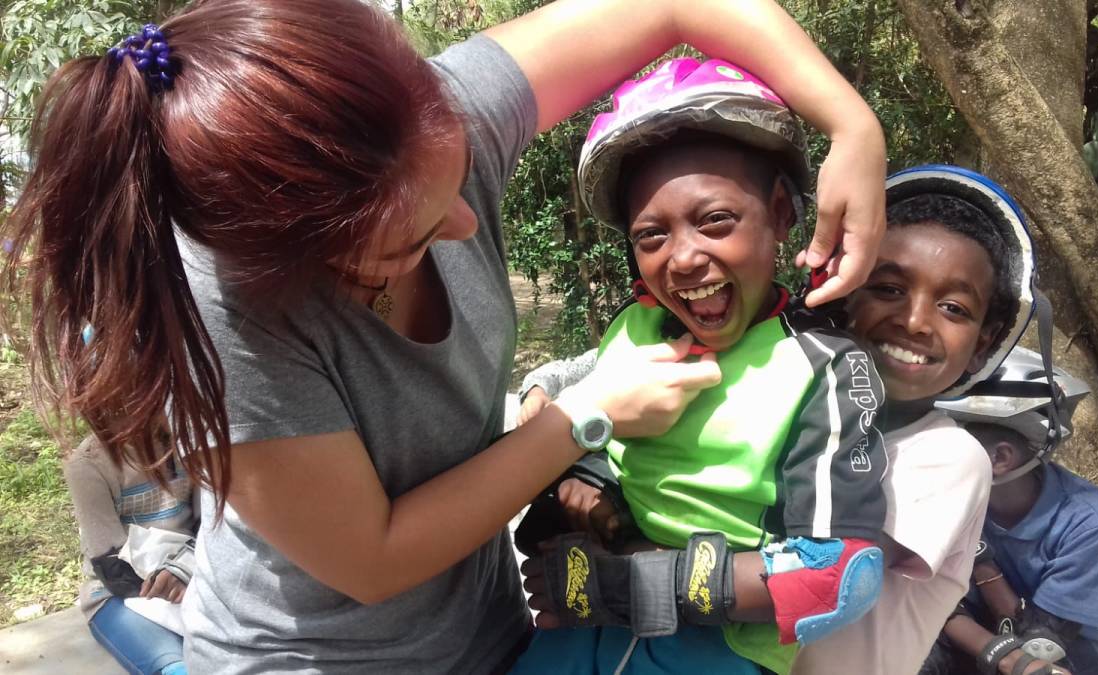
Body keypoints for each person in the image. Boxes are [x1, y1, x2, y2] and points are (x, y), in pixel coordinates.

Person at [1, 0, 889, 671]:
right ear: (304, 260)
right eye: (416, 236)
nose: (468, 227)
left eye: (460, 176)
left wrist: (852, 124)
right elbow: (373, 557)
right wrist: (583, 419)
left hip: (496, 633)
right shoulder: (230, 312)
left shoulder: (418, 119)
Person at [510, 57, 889, 675]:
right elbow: (613, 448)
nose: (683, 258)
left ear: (781, 214)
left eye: (715, 221)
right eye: (651, 236)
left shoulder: (825, 369)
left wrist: (628, 583)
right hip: (581, 635)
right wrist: (590, 482)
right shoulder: (634, 328)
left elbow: (839, 577)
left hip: (720, 650)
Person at [787, 165, 1044, 675]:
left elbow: (822, 576)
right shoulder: (800, 418)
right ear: (843, 297)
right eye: (888, 288)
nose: (914, 321)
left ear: (983, 342)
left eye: (953, 308)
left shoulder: (950, 457)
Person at [919, 347, 1098, 675]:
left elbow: (1041, 642)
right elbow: (929, 602)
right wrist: (997, 650)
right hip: (993, 623)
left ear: (1000, 459)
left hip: (1083, 638)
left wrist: (980, 562)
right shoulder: (947, 494)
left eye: (945, 442)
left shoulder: (1090, 522)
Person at [65, 433, 195, 675]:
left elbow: (214, 527)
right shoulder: (88, 465)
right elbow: (111, 566)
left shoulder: (189, 439)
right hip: (118, 595)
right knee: (178, 669)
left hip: (195, 574)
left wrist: (187, 572)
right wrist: (172, 583)